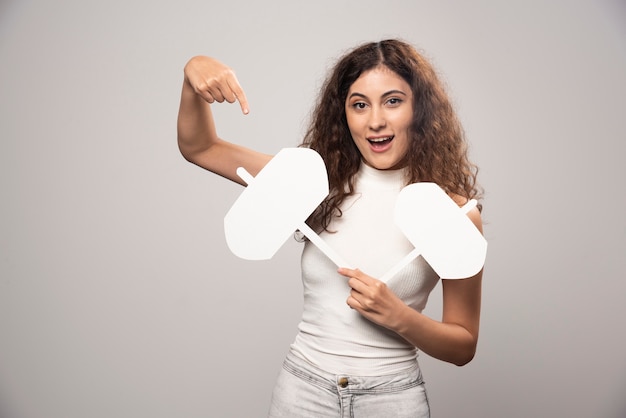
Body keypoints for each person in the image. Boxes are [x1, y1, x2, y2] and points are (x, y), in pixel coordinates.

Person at [177, 39, 484, 418]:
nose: (375, 121)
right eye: (359, 104)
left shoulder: (453, 213)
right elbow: (200, 147)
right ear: (344, 114)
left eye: (393, 101)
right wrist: (194, 71)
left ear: (419, 108)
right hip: (303, 394)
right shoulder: (312, 182)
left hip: (392, 399)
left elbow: (463, 345)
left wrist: (400, 316)